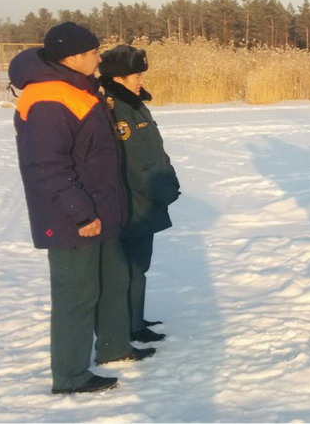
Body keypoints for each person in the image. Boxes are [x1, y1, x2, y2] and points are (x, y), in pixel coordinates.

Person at [9, 22, 155, 396]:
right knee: (76, 296)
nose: (99, 57)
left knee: (113, 279)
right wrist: (81, 212)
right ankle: (70, 374)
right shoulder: (47, 99)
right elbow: (46, 165)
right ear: (73, 57)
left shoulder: (80, 87)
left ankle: (114, 346)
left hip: (101, 209)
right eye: (93, 52)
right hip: (73, 217)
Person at [98, 45, 181, 344]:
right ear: (117, 77)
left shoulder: (134, 103)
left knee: (139, 265)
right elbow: (132, 162)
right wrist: (160, 188)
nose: (140, 80)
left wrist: (169, 178)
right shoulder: (114, 108)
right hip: (132, 202)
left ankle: (135, 318)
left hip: (148, 200)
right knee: (128, 267)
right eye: (135, 74)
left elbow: (154, 149)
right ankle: (126, 325)